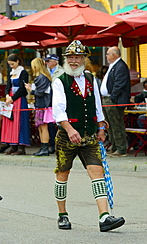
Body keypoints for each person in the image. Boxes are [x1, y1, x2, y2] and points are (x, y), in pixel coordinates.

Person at [52, 40, 125, 232]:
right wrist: (69, 129)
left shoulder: (91, 78)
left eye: (77, 57)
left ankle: (104, 217)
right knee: (62, 174)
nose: (73, 60)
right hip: (67, 136)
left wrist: (101, 126)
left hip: (90, 134)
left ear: (84, 59)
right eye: (70, 57)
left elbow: (97, 104)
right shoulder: (60, 80)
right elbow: (58, 110)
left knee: (97, 171)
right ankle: (62, 215)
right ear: (65, 59)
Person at [100, 46, 131, 157]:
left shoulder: (120, 66)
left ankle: (121, 148)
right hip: (107, 99)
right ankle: (114, 146)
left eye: (108, 54)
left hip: (114, 100)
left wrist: (113, 96)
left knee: (116, 124)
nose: (106, 56)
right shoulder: (113, 66)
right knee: (110, 125)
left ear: (114, 54)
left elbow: (119, 83)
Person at [1, 53, 30, 155]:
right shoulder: (11, 72)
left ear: (18, 61)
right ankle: (13, 145)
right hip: (11, 99)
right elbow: (7, 85)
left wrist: (13, 98)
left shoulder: (23, 73)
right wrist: (7, 95)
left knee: (20, 122)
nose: (11, 66)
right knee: (11, 122)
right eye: (10, 64)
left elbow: (23, 89)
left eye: (12, 64)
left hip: (19, 99)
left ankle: (21, 147)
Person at [25, 58, 54, 156]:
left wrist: (30, 89)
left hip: (43, 105)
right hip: (42, 104)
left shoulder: (42, 77)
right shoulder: (44, 77)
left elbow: (40, 93)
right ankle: (43, 147)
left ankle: (44, 147)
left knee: (43, 127)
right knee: (41, 127)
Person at [44, 54, 64, 154]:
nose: (47, 63)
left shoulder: (61, 71)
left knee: (60, 122)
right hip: (49, 99)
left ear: (55, 61)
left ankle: (60, 144)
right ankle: (52, 144)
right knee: (50, 123)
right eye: (46, 61)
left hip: (58, 99)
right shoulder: (46, 71)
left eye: (49, 61)